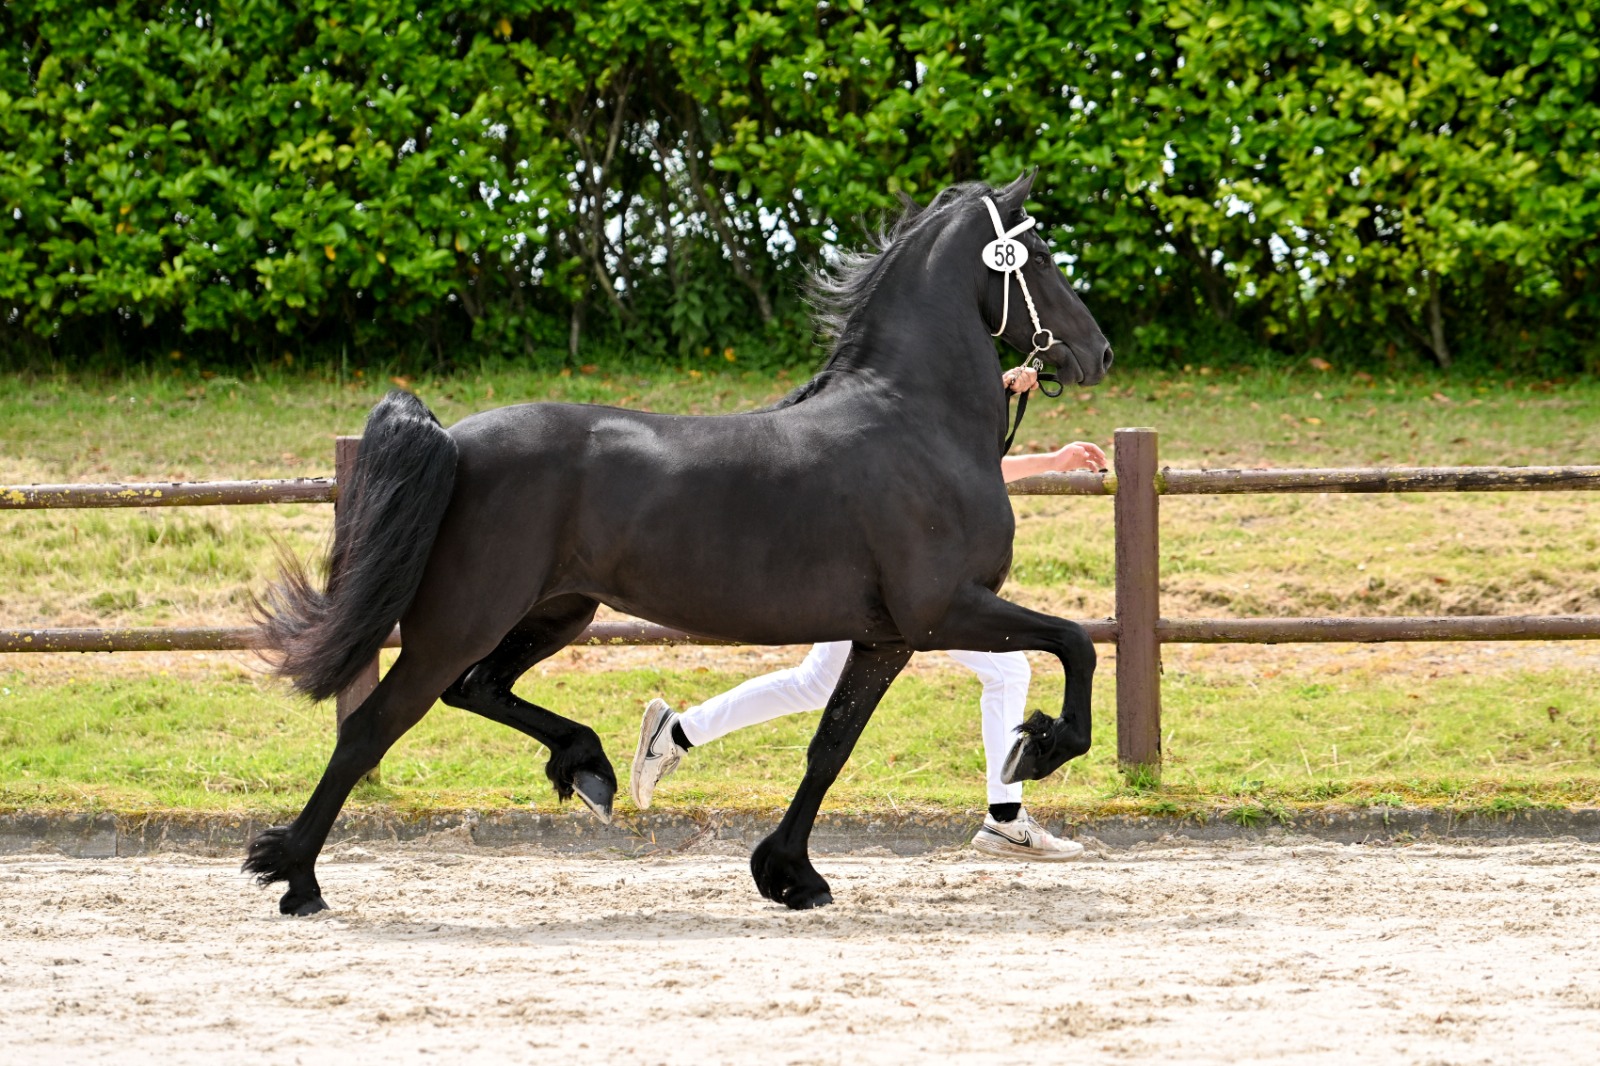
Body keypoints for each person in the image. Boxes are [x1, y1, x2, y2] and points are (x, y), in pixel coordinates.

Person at [631, 364, 1107, 861]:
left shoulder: (916, 406)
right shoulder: (911, 404)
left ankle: (679, 731)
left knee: (815, 682)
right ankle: (1006, 820)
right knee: (1008, 669)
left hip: (884, 577)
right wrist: (1006, 397)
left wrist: (1050, 457)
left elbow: (968, 474)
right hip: (904, 583)